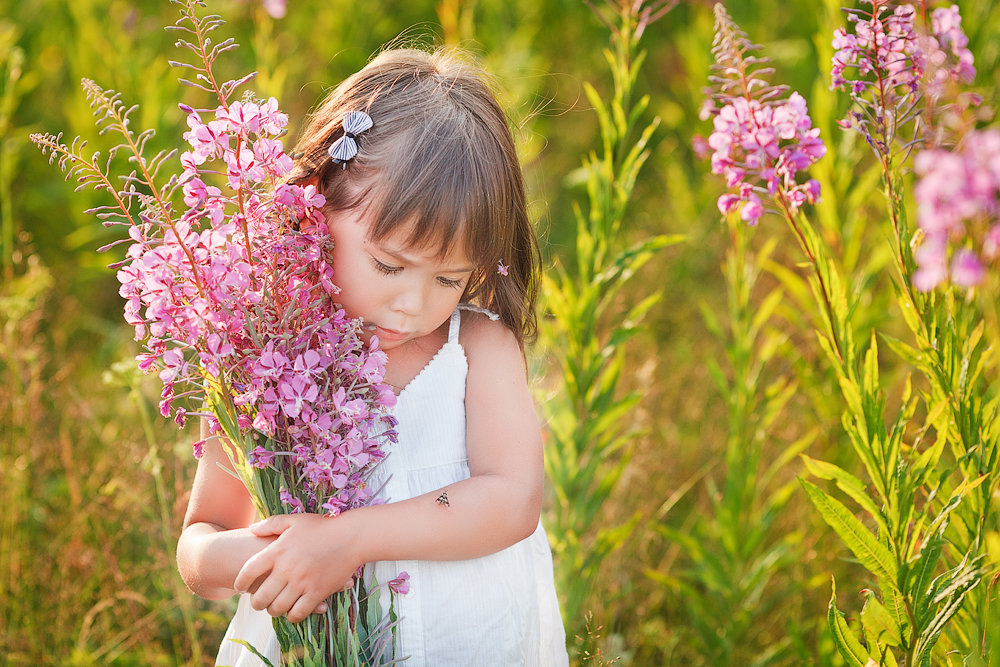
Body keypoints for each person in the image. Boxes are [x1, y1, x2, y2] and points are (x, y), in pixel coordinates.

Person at [176, 47, 569, 666]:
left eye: (449, 278)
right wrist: (277, 555)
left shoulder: (477, 348)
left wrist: (347, 540)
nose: (413, 303)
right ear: (317, 203)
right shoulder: (260, 359)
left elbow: (511, 498)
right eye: (389, 265)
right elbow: (201, 544)